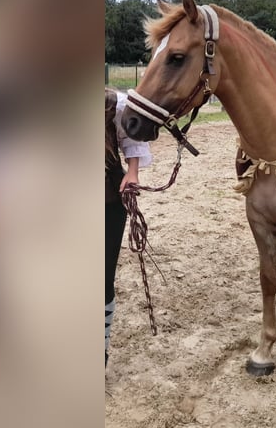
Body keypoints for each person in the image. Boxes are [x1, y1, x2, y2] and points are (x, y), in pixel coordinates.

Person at [105, 88, 152, 367]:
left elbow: (131, 139)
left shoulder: (113, 104)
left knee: (102, 276)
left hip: (107, 200)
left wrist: (132, 172)